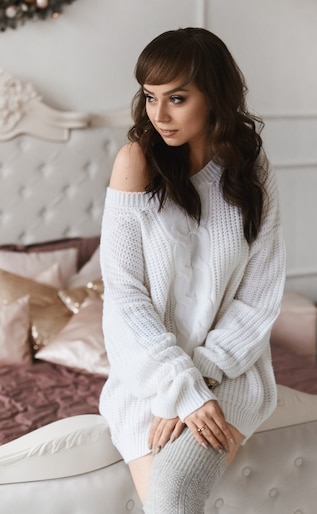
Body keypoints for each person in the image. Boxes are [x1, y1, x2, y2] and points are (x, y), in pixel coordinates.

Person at [99, 27, 286, 513]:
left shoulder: (249, 168)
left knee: (173, 495)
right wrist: (177, 387)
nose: (159, 114)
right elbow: (124, 294)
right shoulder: (136, 161)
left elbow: (259, 297)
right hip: (147, 373)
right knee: (170, 503)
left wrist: (196, 383)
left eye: (177, 98)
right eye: (150, 97)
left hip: (230, 370)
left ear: (215, 96)